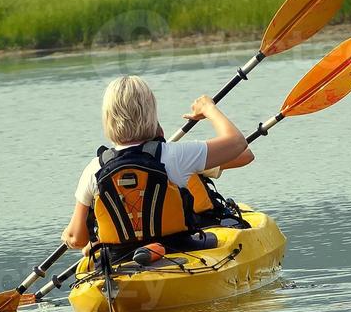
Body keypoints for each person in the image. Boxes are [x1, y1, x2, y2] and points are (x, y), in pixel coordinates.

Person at [63, 75, 254, 255]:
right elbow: (238, 144)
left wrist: (69, 236)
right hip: (178, 251)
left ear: (107, 119)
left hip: (120, 259)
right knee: (214, 236)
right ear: (151, 114)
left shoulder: (94, 168)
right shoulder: (176, 155)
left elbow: (77, 238)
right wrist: (208, 108)